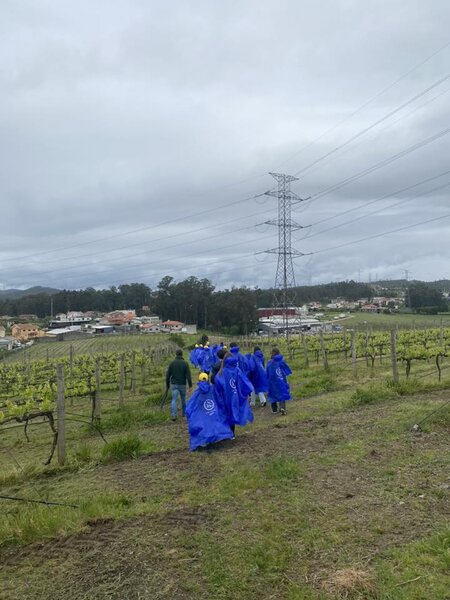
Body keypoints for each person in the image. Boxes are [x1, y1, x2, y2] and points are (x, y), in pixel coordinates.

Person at [185, 373, 234, 451]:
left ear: (199, 380)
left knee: (205, 426)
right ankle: (215, 439)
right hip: (213, 413)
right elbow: (219, 400)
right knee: (215, 424)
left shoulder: (197, 393)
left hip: (203, 414)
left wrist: (190, 414)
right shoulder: (213, 390)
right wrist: (221, 408)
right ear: (208, 380)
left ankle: (205, 442)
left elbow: (190, 405)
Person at [214, 351, 254, 437]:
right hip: (235, 397)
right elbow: (243, 382)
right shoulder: (237, 370)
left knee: (225, 414)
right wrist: (245, 393)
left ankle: (227, 433)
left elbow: (217, 385)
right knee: (233, 413)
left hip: (225, 397)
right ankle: (232, 433)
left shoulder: (221, 373)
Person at [165, 349, 192, 421]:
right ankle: (184, 413)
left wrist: (167, 385)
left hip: (174, 384)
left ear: (176, 354)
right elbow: (188, 376)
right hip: (182, 384)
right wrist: (190, 385)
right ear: (182, 354)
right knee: (183, 398)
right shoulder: (185, 363)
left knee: (174, 399)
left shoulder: (172, 363)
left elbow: (167, 375)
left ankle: (174, 415)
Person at [266, 346, 292, 415]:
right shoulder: (281, 360)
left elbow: (267, 372)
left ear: (272, 353)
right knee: (282, 392)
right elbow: (286, 369)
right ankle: (282, 407)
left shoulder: (269, 362)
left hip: (272, 381)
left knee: (272, 393)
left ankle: (274, 409)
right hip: (281, 379)